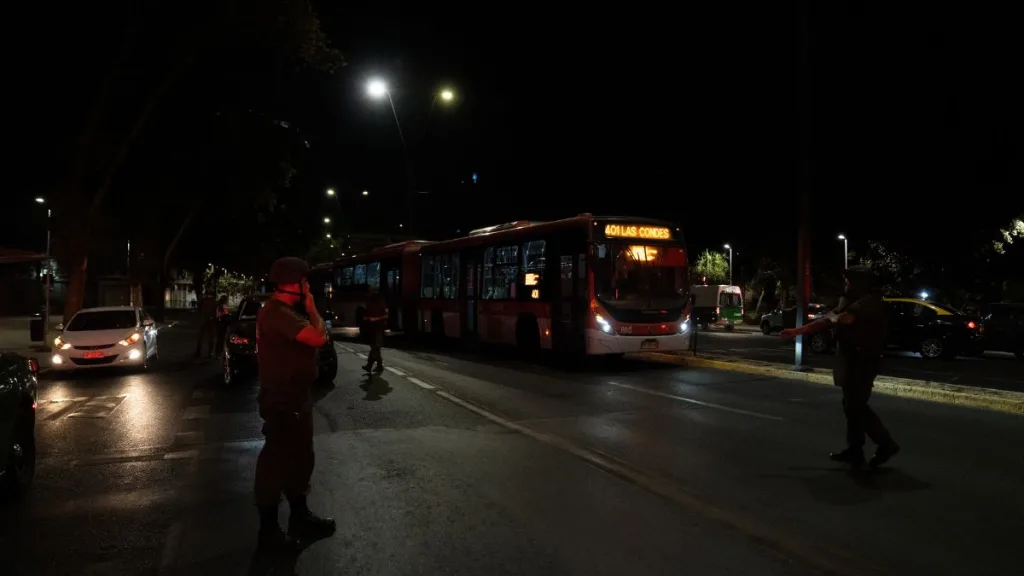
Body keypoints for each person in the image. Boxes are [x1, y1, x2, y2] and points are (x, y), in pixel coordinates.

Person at [780, 266, 900, 469]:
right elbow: (827, 321)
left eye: (849, 281)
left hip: (863, 362)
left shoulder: (869, 303)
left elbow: (844, 318)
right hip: (852, 361)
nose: (846, 285)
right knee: (851, 406)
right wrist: (796, 331)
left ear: (859, 283)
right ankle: (855, 450)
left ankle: (886, 444)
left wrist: (834, 318)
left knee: (856, 406)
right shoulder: (851, 301)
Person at [254, 257, 336, 550]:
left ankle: (299, 516)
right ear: (296, 283)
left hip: (297, 397)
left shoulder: (286, 311)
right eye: (305, 281)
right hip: (283, 399)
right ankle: (269, 531)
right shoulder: (277, 313)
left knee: (301, 458)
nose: (309, 287)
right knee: (276, 462)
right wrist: (314, 308)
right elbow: (317, 338)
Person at [362, 287, 388, 373]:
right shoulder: (369, 302)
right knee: (374, 347)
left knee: (375, 348)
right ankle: (373, 366)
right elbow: (366, 314)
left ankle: (375, 366)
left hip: (378, 328)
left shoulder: (380, 302)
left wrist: (375, 319)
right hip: (371, 328)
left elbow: (386, 315)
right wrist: (366, 318)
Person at [194, 291, 217, 358]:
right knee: (210, 337)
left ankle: (198, 352)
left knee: (201, 337)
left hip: (204, 321)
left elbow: (199, 310)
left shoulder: (203, 301)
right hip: (211, 321)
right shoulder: (214, 302)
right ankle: (210, 353)